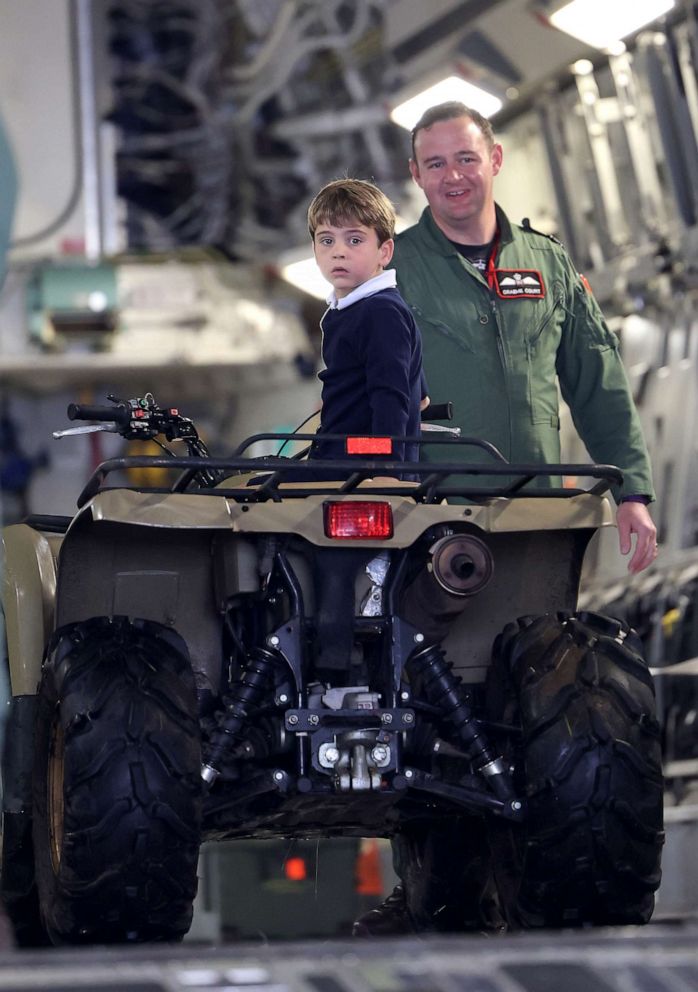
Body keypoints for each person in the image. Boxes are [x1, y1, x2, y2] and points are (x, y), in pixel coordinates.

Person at [352, 102, 658, 937]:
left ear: (495, 159)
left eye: (465, 158)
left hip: (536, 518)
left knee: (549, 690)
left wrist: (630, 488)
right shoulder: (393, 267)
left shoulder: (548, 266)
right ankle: (433, 874)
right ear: (416, 178)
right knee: (419, 685)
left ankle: (533, 871)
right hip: (422, 516)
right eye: (435, 164)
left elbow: (596, 380)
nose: (453, 176)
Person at [306, 177, 428, 471]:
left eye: (355, 240)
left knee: (251, 497)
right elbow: (421, 398)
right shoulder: (346, 310)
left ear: (384, 252)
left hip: (361, 467)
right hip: (343, 458)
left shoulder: (380, 311)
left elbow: (391, 397)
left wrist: (387, 472)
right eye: (326, 240)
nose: (339, 251)